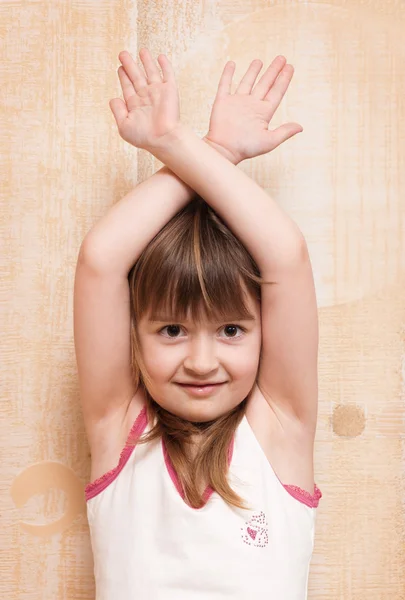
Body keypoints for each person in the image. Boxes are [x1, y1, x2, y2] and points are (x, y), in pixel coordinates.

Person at [74, 47, 322, 600]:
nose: (202, 361)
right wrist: (213, 150)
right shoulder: (120, 430)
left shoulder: (277, 429)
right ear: (132, 336)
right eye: (171, 331)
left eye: (231, 330)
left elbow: (285, 256)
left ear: (264, 331)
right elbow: (101, 260)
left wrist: (184, 147)